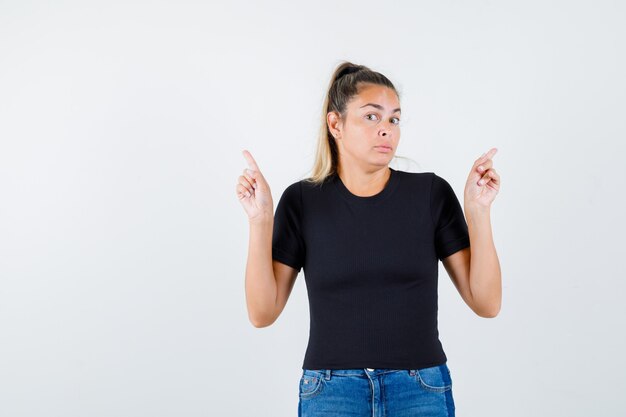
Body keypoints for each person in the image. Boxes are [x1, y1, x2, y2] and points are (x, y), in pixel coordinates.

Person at [236, 61, 502, 417]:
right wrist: (259, 221)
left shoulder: (431, 194)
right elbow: (262, 312)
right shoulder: (302, 201)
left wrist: (478, 211)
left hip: (420, 389)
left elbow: (487, 303)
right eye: (372, 117)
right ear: (336, 124)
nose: (386, 130)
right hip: (331, 392)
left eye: (394, 119)